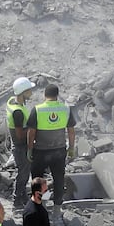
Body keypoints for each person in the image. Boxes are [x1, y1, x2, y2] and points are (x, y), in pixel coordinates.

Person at [28, 82, 75, 214]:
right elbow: (71, 131)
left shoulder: (37, 109)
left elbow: (31, 132)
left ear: (44, 95)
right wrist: (71, 148)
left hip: (40, 151)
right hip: (59, 151)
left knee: (37, 179)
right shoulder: (65, 109)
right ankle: (57, 209)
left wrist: (30, 149)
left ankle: (38, 205)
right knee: (59, 178)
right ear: (57, 95)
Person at [6, 76, 35, 207]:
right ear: (23, 92)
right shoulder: (18, 112)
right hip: (20, 146)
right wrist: (33, 129)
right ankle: (17, 200)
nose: (31, 93)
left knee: (24, 172)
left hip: (19, 146)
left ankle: (22, 196)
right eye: (29, 90)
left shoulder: (13, 102)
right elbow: (19, 135)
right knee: (23, 174)